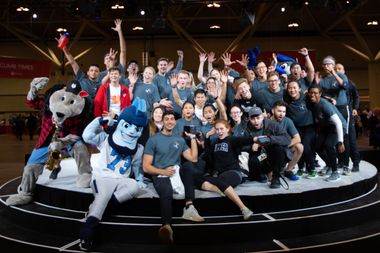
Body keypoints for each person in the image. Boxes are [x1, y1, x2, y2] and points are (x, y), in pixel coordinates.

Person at [79, 99, 148, 251]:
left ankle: (95, 209)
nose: (131, 131)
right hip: (103, 177)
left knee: (134, 187)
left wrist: (139, 178)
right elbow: (87, 136)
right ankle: (86, 234)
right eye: (128, 126)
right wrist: (99, 121)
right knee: (103, 196)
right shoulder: (105, 138)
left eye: (137, 128)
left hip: (122, 179)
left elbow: (136, 166)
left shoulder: (138, 148)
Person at [143, 110, 204, 244]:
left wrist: (193, 138)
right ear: (163, 122)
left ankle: (189, 207)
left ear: (175, 122)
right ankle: (166, 226)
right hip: (160, 173)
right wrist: (163, 172)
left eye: (172, 119)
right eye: (167, 119)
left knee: (188, 166)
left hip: (175, 172)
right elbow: (146, 167)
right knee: (166, 191)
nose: (170, 121)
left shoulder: (179, 139)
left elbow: (193, 158)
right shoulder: (153, 140)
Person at [195, 119, 254, 220]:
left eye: (221, 129)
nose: (219, 132)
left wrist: (255, 139)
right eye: (217, 129)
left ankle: (244, 208)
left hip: (234, 173)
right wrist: (208, 136)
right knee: (197, 179)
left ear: (228, 129)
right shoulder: (215, 143)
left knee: (217, 180)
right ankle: (221, 190)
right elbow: (208, 155)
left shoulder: (232, 140)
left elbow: (244, 140)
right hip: (220, 175)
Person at [243, 106, 291, 188]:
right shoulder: (246, 128)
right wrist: (251, 146)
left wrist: (266, 140)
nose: (256, 121)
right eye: (253, 119)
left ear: (262, 116)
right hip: (263, 156)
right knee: (254, 161)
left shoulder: (272, 125)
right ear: (249, 119)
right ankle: (261, 174)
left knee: (279, 150)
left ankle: (276, 177)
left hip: (273, 154)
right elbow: (240, 144)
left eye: (258, 118)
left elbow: (287, 139)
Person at [308, 84, 346, 182]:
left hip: (338, 126)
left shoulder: (325, 105)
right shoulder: (312, 102)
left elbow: (338, 122)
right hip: (327, 126)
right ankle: (329, 165)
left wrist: (340, 142)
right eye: (311, 93)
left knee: (329, 145)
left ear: (320, 94)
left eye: (315, 93)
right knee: (317, 146)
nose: (312, 95)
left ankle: (335, 172)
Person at [284, 81, 317, 179]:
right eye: (290, 88)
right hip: (296, 128)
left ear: (299, 89)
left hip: (308, 127)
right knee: (298, 147)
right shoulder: (286, 100)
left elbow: (317, 98)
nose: (292, 90)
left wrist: (331, 99)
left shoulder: (306, 98)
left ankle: (312, 169)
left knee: (306, 147)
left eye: (294, 88)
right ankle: (300, 168)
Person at [335, 62, 361, 172]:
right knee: (339, 139)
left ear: (344, 71)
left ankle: (356, 163)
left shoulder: (350, 83)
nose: (337, 71)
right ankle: (341, 161)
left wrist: (355, 108)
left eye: (340, 68)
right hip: (338, 114)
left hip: (348, 113)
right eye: (336, 69)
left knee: (351, 140)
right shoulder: (333, 83)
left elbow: (356, 97)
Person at [271, 101, 303, 181]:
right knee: (270, 177)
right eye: (279, 111)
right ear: (273, 111)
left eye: (284, 112)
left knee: (299, 146)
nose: (282, 114)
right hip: (269, 151)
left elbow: (297, 138)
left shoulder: (287, 121)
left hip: (284, 147)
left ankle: (288, 171)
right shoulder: (266, 121)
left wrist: (283, 146)